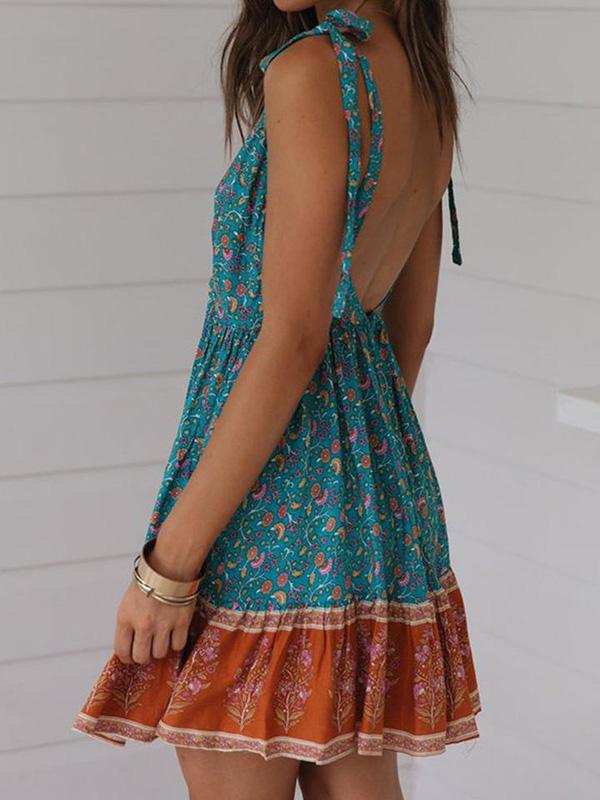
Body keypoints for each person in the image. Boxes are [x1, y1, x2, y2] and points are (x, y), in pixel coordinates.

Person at [72, 1, 481, 798]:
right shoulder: (427, 83)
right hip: (376, 498)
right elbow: (412, 327)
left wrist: (167, 569)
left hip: (270, 502)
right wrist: (350, 474)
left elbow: (292, 339)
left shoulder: (314, 71)